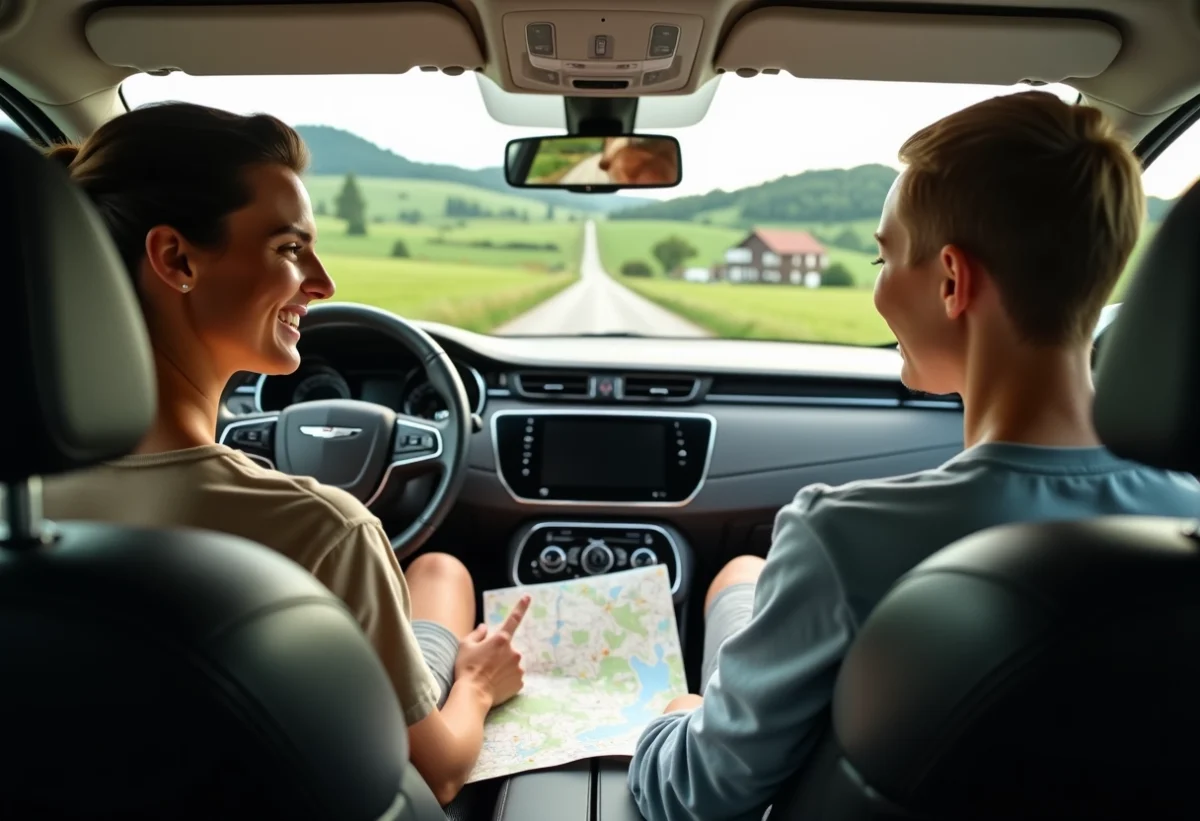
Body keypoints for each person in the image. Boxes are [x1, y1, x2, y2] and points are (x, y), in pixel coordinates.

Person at [628, 90, 1200, 821]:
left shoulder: (842, 538)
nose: (878, 282)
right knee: (742, 576)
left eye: (884, 255)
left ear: (953, 280)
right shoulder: (1185, 524)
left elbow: (696, 794)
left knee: (733, 596)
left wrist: (666, 726)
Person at [39, 101, 528, 806]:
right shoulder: (321, 530)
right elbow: (436, 773)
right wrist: (478, 685)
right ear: (176, 259)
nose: (323, 282)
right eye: (291, 249)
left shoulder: (20, 507)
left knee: (435, 571)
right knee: (444, 573)